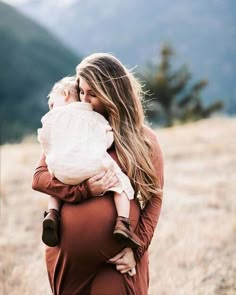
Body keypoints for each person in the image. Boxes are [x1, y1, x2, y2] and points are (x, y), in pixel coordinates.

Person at [32, 53, 164, 295]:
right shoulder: (69, 131)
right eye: (82, 92)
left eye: (93, 93)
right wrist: (83, 191)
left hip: (117, 264)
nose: (86, 101)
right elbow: (40, 178)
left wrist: (137, 250)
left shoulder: (143, 140)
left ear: (114, 92)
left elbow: (154, 199)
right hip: (68, 262)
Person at [37, 76, 141, 251]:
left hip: (59, 168)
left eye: (52, 104)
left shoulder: (51, 119)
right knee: (118, 184)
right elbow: (107, 139)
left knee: (54, 186)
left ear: (64, 94)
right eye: (83, 92)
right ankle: (123, 222)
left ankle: (52, 214)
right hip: (91, 168)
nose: (51, 108)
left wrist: (52, 157)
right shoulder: (92, 116)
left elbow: (43, 138)